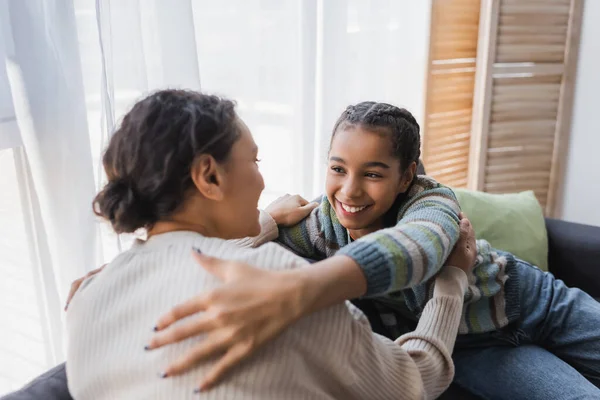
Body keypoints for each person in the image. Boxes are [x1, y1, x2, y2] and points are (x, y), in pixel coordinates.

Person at [142, 101, 600, 399]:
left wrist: (308, 284)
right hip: (475, 348)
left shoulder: (431, 203)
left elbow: (417, 248)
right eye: (338, 168)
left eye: (374, 174)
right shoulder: (318, 225)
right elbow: (213, 251)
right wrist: (266, 221)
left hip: (536, 302)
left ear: (407, 177)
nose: (350, 191)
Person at [65, 90, 476, 400]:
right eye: (254, 162)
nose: (262, 182)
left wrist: (267, 221)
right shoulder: (275, 285)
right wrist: (454, 279)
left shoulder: (86, 298)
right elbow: (416, 379)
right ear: (209, 177)